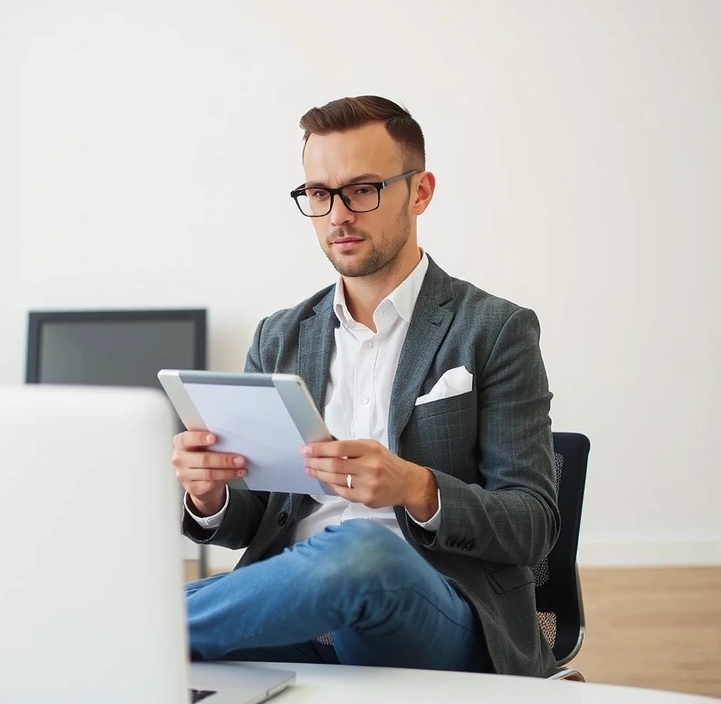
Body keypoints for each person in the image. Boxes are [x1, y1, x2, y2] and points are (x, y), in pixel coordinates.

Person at [174, 95, 560, 677]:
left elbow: (533, 525)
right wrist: (209, 497)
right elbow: (252, 523)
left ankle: (122, 629)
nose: (337, 216)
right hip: (294, 621)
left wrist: (418, 488)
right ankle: (124, 632)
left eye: (361, 190)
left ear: (420, 191)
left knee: (362, 551)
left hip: (430, 615)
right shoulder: (279, 336)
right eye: (319, 194)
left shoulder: (495, 330)